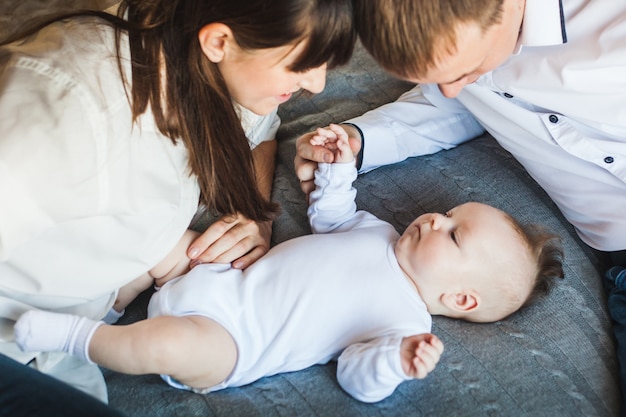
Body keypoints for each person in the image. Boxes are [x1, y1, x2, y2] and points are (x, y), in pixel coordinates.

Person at [15, 123, 564, 404]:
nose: (434, 219)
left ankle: (74, 338)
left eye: (453, 235)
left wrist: (396, 362)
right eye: (447, 212)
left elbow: (357, 378)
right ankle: (106, 300)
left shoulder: (404, 325)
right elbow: (331, 214)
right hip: (219, 274)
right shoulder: (379, 232)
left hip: (230, 342)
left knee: (162, 345)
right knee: (154, 237)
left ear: (460, 299)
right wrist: (338, 166)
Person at [0, 0, 355, 401]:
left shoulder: (216, 64)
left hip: (71, 329)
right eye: (301, 63)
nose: (318, 84)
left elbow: (262, 127)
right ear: (219, 40)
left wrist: (253, 212)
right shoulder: (69, 122)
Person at [293, 0, 626, 410]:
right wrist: (358, 141)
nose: (454, 87)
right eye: (440, 77)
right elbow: (450, 104)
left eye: (468, 70)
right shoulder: (465, 65)